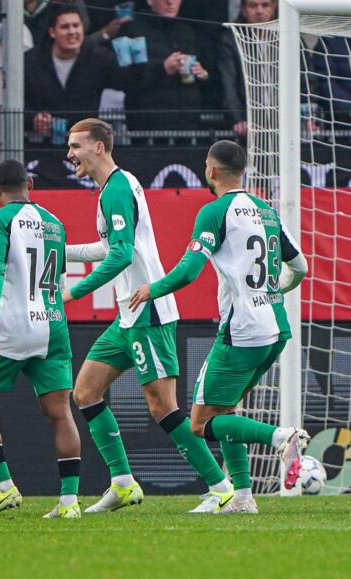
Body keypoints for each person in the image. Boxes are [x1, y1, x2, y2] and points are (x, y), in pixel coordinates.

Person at [63, 118, 235, 514]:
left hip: (149, 313)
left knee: (162, 407)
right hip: (128, 314)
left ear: (100, 147)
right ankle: (123, 484)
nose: (69, 153)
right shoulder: (114, 187)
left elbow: (121, 255)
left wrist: (73, 292)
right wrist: (60, 248)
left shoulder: (118, 189)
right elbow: (111, 249)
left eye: (76, 146)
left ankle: (221, 487)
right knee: (86, 391)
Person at [128, 140, 310, 513]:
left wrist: (152, 289)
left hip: (242, 331)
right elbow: (301, 266)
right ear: (242, 170)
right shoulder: (267, 210)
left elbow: (189, 270)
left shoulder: (215, 212)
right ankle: (242, 496)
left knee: (200, 423)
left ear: (211, 170)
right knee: (226, 411)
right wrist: (276, 290)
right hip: (276, 328)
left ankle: (282, 437)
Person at [0, 159, 82, 519]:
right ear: (30, 183)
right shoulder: (55, 223)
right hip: (53, 324)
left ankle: (3, 487)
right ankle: (69, 502)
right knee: (61, 413)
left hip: (13, 326)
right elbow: (59, 277)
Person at [25, 6, 142, 137]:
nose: (72, 31)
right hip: (43, 144)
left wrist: (138, 63)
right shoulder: (30, 60)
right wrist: (33, 119)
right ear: (52, 32)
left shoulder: (100, 57)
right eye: (65, 27)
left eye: (76, 26)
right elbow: (19, 103)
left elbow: (129, 84)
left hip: (85, 144)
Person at [117, 0, 210, 131]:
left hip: (188, 126)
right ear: (150, 1)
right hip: (147, 129)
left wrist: (202, 74)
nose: (170, 2)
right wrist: (162, 69)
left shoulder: (187, 31)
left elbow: (208, 80)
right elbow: (122, 79)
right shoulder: (131, 30)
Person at [217, 0, 277, 139]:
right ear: (243, 9)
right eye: (253, 5)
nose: (259, 11)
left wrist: (307, 115)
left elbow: (306, 82)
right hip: (248, 123)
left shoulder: (289, 39)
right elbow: (228, 83)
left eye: (265, 5)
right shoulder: (231, 40)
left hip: (283, 120)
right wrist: (237, 118)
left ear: (274, 7)